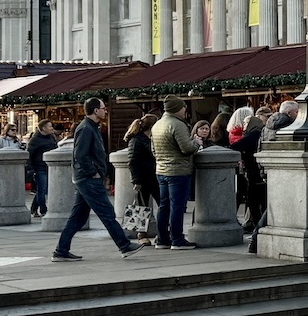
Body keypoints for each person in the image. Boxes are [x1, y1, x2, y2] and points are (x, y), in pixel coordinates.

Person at [53, 97, 146, 262]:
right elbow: (80, 155)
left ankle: (61, 250)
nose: (105, 110)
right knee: (107, 213)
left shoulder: (90, 127)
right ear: (96, 111)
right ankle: (124, 245)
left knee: (78, 217)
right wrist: (93, 172)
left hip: (86, 178)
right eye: (103, 108)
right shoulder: (86, 128)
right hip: (88, 179)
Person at [151, 96, 200, 249]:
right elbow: (187, 148)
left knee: (164, 205)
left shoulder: (157, 124)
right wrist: (196, 143)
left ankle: (162, 239)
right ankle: (177, 239)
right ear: (177, 109)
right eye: (184, 107)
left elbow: (153, 150)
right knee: (177, 206)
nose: (185, 110)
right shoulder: (177, 125)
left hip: (161, 170)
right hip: (178, 171)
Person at [26, 121, 59, 220]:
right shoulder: (35, 140)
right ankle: (43, 210)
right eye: (50, 126)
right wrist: (30, 169)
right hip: (39, 167)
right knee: (42, 190)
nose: (52, 128)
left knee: (42, 189)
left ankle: (33, 208)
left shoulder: (51, 137)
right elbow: (29, 154)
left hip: (49, 167)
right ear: (43, 128)